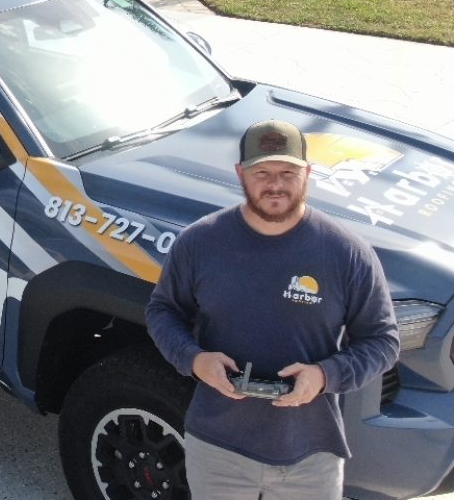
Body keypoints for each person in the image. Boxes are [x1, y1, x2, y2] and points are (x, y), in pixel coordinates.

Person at [145, 119, 400, 499]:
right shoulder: (199, 242)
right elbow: (163, 310)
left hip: (310, 454)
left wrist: (324, 375)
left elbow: (382, 341)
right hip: (217, 450)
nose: (275, 185)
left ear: (308, 174)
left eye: (288, 173)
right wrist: (194, 359)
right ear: (240, 174)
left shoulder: (347, 253)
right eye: (262, 172)